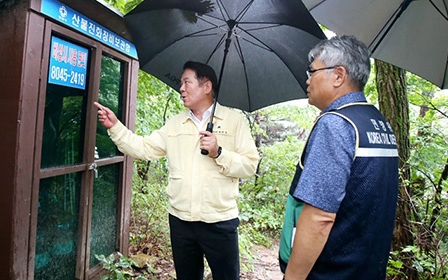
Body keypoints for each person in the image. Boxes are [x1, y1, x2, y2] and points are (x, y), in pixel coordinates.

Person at [94, 61, 259, 280]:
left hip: (219, 221)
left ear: (207, 87)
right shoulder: (175, 124)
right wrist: (115, 126)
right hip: (181, 221)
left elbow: (250, 165)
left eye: (187, 82)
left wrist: (219, 152)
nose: (181, 88)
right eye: (181, 83)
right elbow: (144, 148)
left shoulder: (234, 121)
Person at [277, 35, 399, 279]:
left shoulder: (336, 124)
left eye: (312, 71)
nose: (307, 79)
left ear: (338, 75)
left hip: (333, 270)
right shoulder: (378, 123)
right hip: (368, 268)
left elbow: (320, 217)